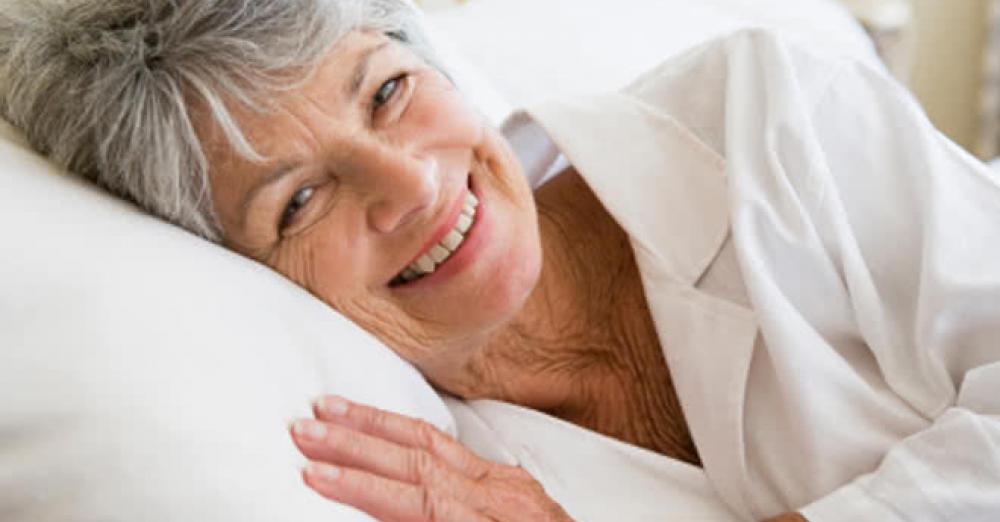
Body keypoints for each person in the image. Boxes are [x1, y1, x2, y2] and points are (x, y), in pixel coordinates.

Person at [2, 1, 1000, 521]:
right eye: (300, 200)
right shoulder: (408, 469)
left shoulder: (762, 111)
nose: (409, 183)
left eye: (387, 92)